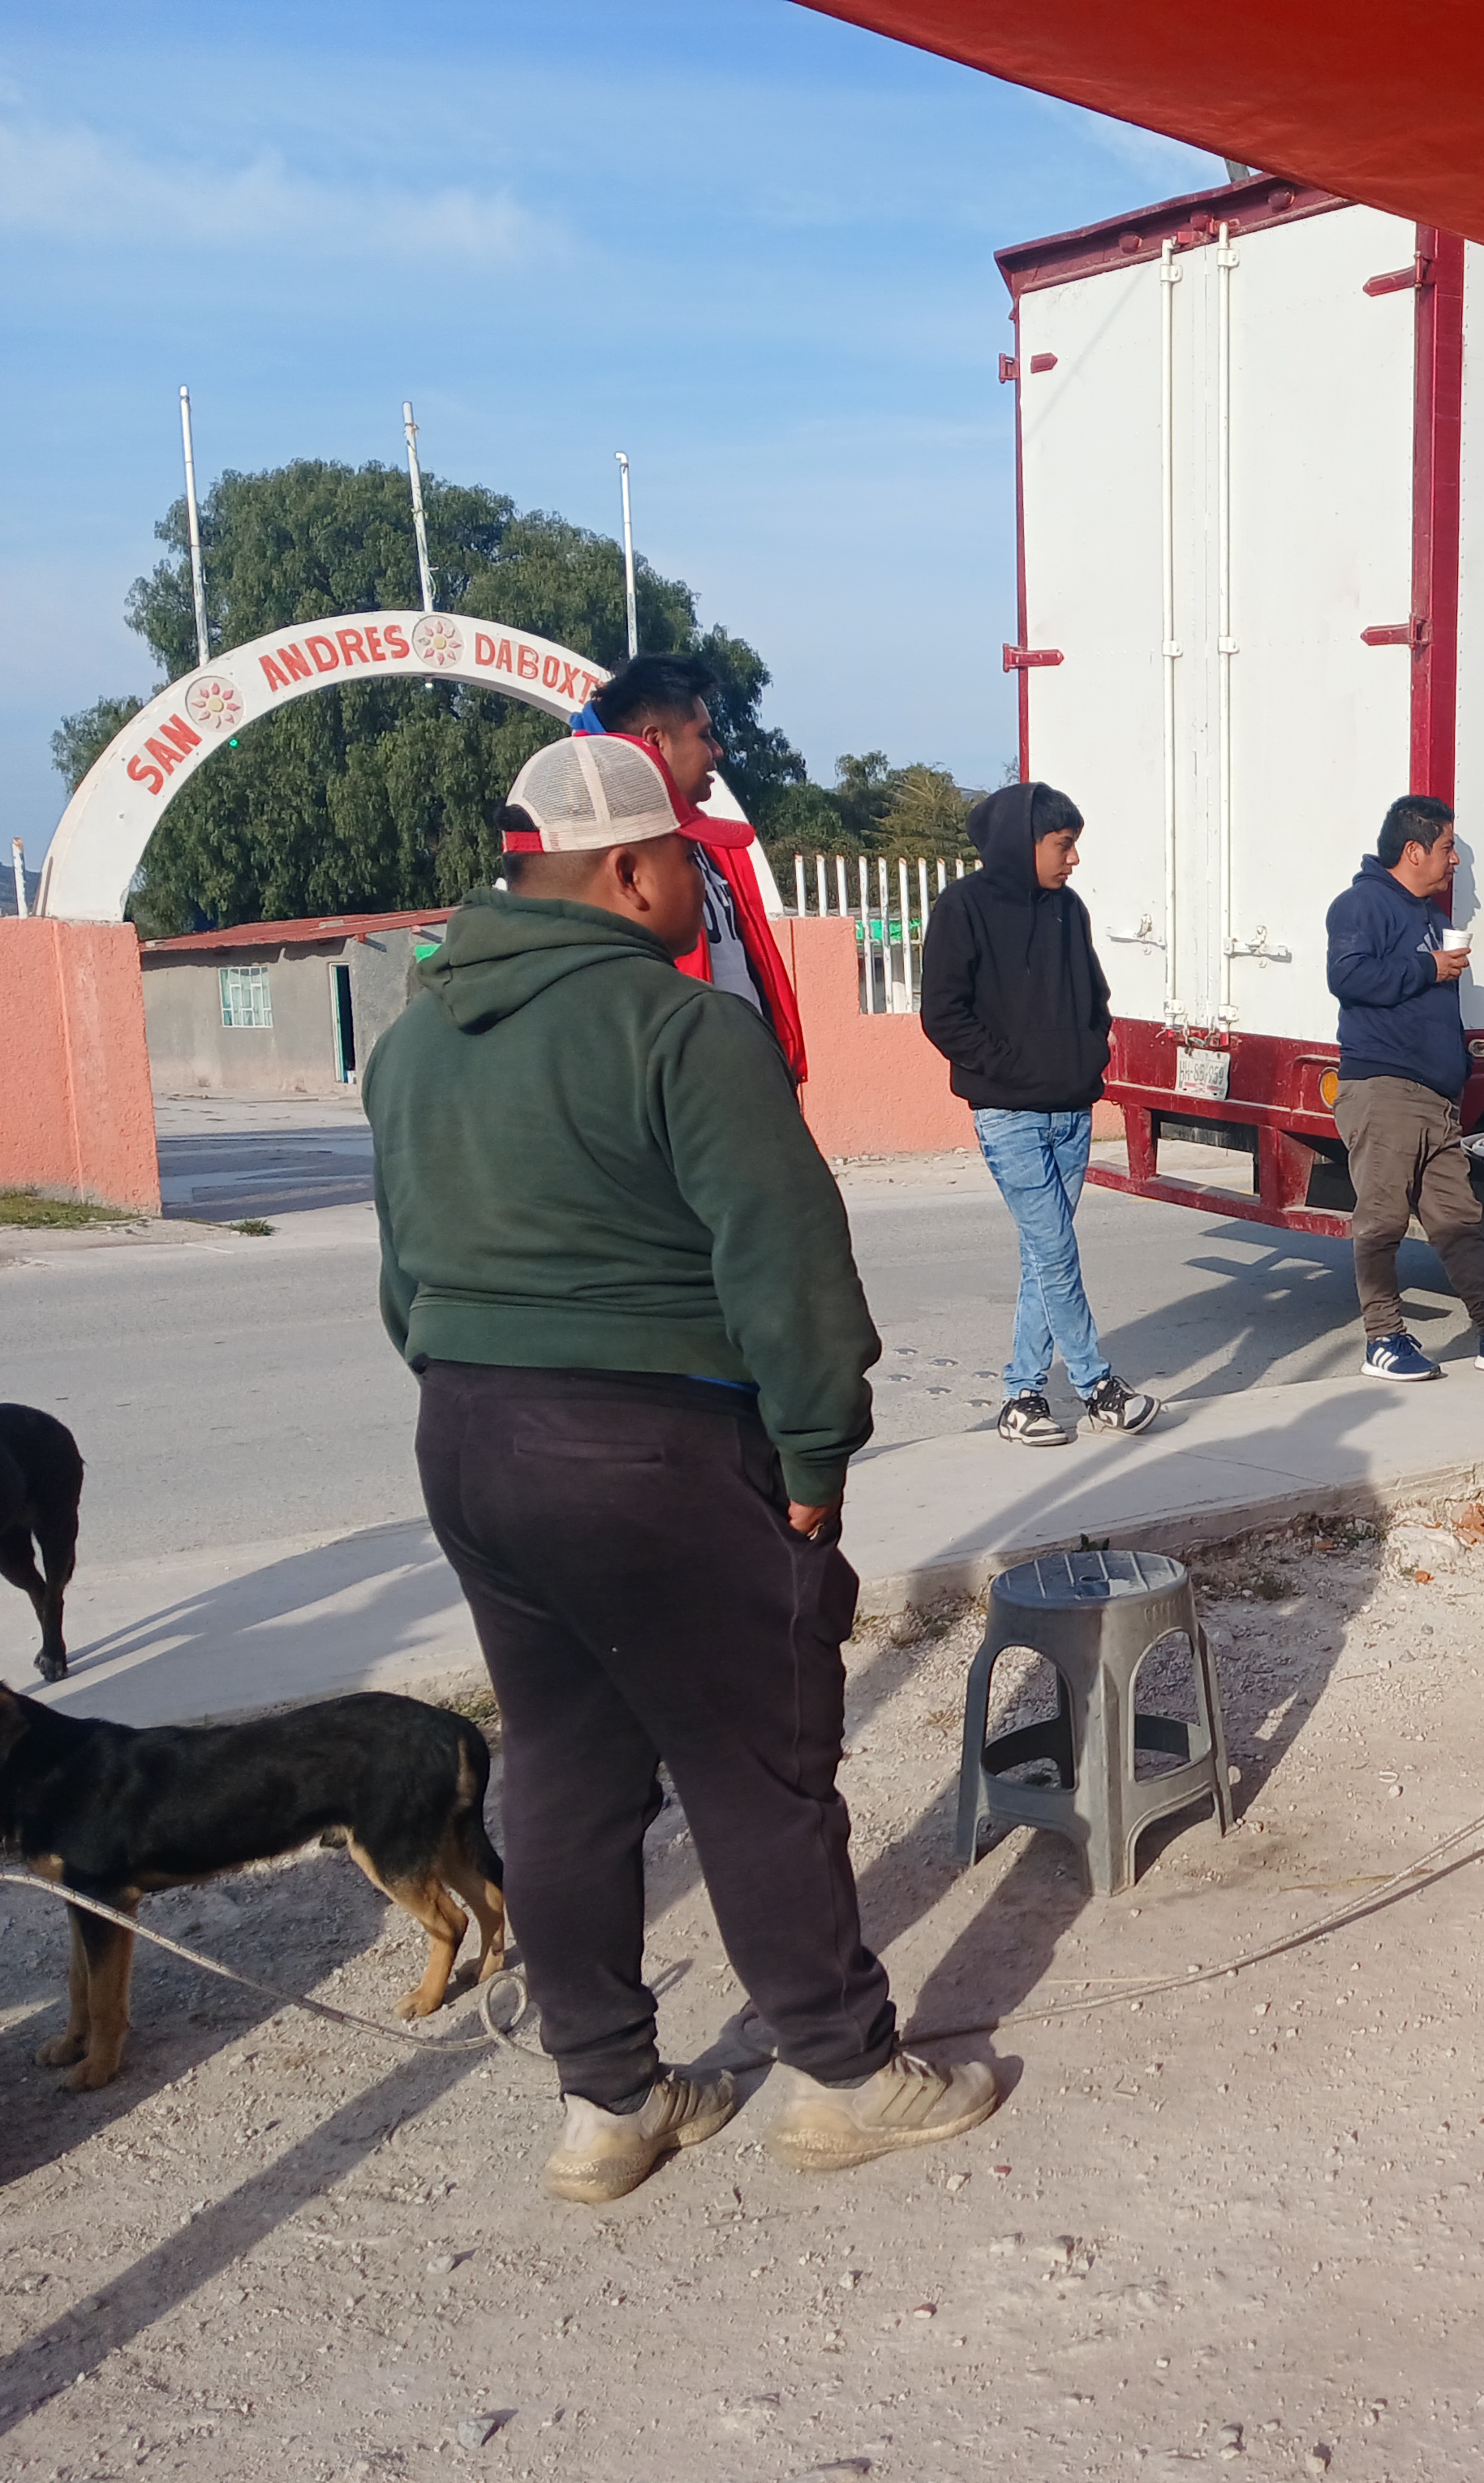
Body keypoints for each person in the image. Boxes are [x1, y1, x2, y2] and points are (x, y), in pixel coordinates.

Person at [367, 732, 999, 2203]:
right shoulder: (680, 1028)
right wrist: (813, 1454)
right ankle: (843, 2078)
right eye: (691, 873)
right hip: (647, 1450)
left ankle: (611, 2105)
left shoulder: (410, 1042)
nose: (697, 901)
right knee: (756, 1767)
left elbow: (405, 1285)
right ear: (636, 867)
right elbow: (788, 1267)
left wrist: (486, 1400)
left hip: (469, 1440)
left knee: (568, 1770)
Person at [920, 783, 1159, 1444]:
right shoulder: (962, 907)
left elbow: (1095, 997)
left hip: (1071, 1112)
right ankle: (1097, 1386)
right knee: (1055, 1250)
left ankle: (1022, 1398)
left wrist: (1086, 1059)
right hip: (1008, 1113)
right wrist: (1013, 1068)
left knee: (1040, 1257)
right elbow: (942, 1015)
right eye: (1063, 844)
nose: (1074, 859)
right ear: (1023, 844)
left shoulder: (1067, 910)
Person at [1324, 792, 1484, 1382]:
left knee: (1459, 1222)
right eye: (1448, 849)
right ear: (1413, 849)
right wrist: (1429, 969)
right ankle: (1383, 1338)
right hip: (1384, 1086)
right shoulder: (1362, 905)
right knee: (1381, 1219)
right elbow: (1347, 976)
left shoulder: (1433, 920)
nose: (1454, 862)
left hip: (1436, 1099)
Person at [580, 652, 809, 1082]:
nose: (717, 750)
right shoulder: (603, 860)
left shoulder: (717, 846)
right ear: (655, 741)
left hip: (746, 1082)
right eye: (704, 735)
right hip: (692, 1095)